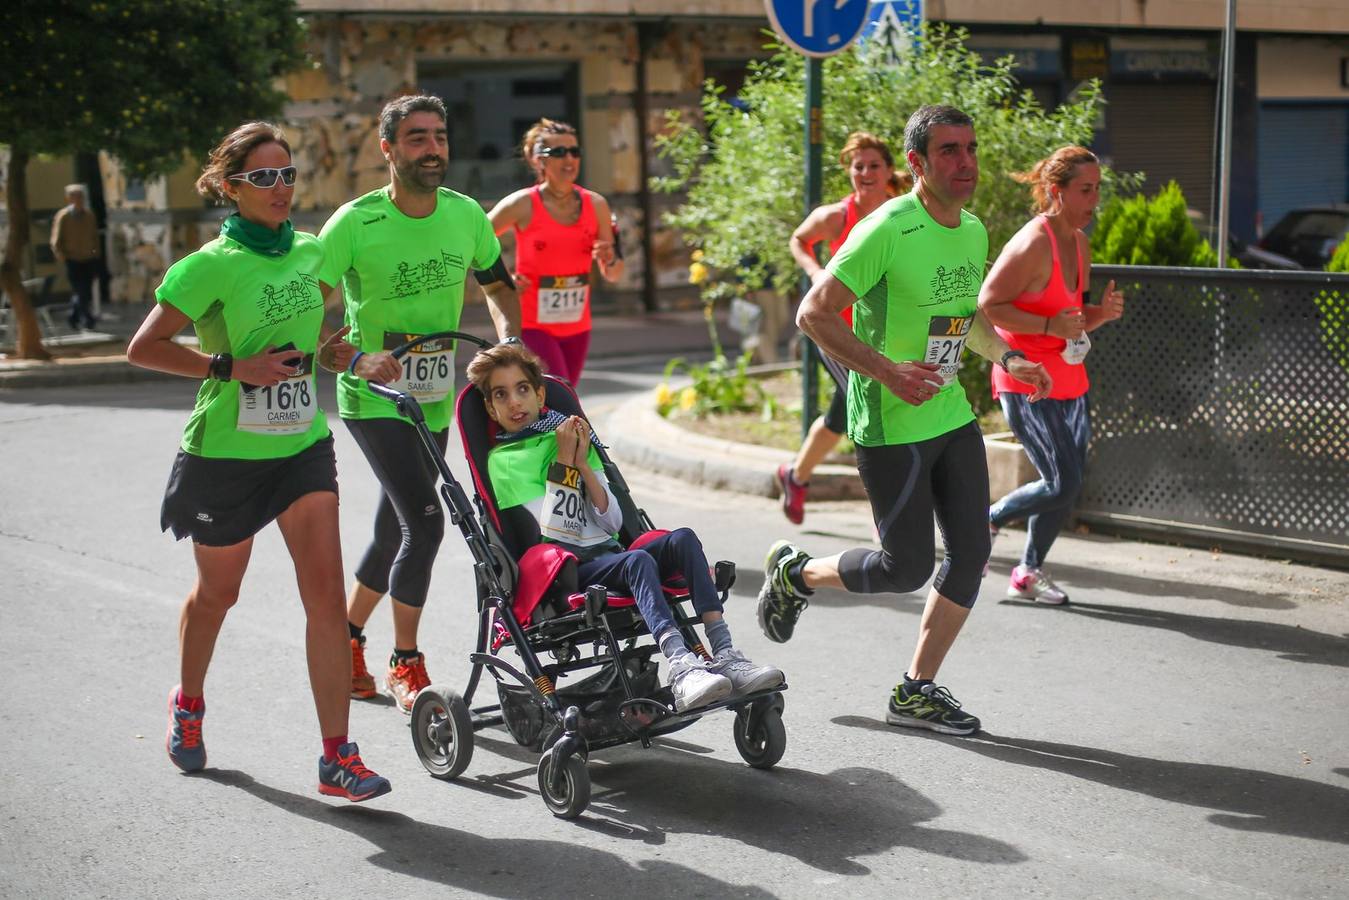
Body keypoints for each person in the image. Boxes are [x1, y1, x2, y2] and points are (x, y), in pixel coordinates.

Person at [756, 105, 1052, 736]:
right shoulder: (887, 228)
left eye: (970, 149)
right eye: (948, 151)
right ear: (916, 164)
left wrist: (1011, 356)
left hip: (949, 413)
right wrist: (888, 372)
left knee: (972, 551)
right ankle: (796, 573)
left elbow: (961, 317)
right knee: (907, 567)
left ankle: (916, 690)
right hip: (891, 422)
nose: (965, 162)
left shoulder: (971, 230)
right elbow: (815, 314)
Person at [126, 121, 390, 801]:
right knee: (220, 593)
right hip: (226, 456)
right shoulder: (208, 265)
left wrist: (343, 353)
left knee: (325, 600)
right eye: (263, 176)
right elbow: (143, 347)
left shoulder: (307, 252)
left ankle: (337, 756)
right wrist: (229, 365)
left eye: (287, 173)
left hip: (301, 444)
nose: (280, 187)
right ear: (231, 187)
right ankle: (187, 703)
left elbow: (311, 341)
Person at [318, 95, 522, 714]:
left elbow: (498, 286)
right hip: (374, 398)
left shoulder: (464, 216)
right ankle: (406, 660)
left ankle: (344, 636)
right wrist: (353, 357)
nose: (432, 149)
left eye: (439, 136)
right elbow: (307, 318)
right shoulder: (353, 224)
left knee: (392, 530)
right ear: (388, 149)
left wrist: (507, 338)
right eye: (415, 139)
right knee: (426, 521)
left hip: (433, 399)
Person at [466, 343, 784, 712]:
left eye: (523, 389)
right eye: (501, 395)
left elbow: (613, 522)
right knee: (638, 563)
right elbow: (555, 532)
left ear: (540, 394)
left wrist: (585, 465)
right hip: (568, 569)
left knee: (681, 539)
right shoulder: (505, 461)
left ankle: (725, 652)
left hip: (609, 552)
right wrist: (566, 463)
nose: (514, 402)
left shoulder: (567, 432)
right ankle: (681, 666)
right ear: (490, 408)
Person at [979, 146, 1126, 604]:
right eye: (1085, 190)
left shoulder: (1079, 242)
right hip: (1027, 379)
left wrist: (1099, 314)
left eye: (1097, 189)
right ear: (1054, 191)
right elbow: (989, 304)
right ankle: (987, 519)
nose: (1094, 199)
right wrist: (1047, 328)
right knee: (1062, 481)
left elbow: (1071, 315)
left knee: (1065, 484)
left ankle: (1027, 572)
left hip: (1071, 377)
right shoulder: (1032, 242)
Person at [777, 132, 912, 524]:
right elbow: (799, 239)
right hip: (837, 335)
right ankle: (885, 515)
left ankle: (795, 476)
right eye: (859, 167)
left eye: (874, 166)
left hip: (885, 336)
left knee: (839, 417)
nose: (866, 173)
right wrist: (816, 271)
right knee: (871, 413)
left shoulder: (901, 214)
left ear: (889, 170)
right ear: (849, 172)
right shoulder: (837, 216)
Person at [487, 118, 623, 384]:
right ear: (539, 160)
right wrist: (503, 279)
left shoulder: (596, 205)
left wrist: (609, 259)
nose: (568, 159)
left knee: (559, 399)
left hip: (577, 326)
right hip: (532, 324)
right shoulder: (522, 203)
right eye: (558, 152)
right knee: (560, 393)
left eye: (574, 151)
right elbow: (475, 240)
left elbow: (615, 273)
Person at [49, 184, 109, 329]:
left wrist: (97, 255)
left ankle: (73, 317)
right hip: (72, 259)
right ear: (69, 199)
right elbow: (56, 240)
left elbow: (94, 237)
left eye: (81, 196)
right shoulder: (63, 216)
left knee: (84, 291)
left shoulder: (89, 215)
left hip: (88, 259)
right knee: (80, 289)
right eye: (75, 197)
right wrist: (62, 256)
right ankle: (88, 319)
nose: (79, 200)